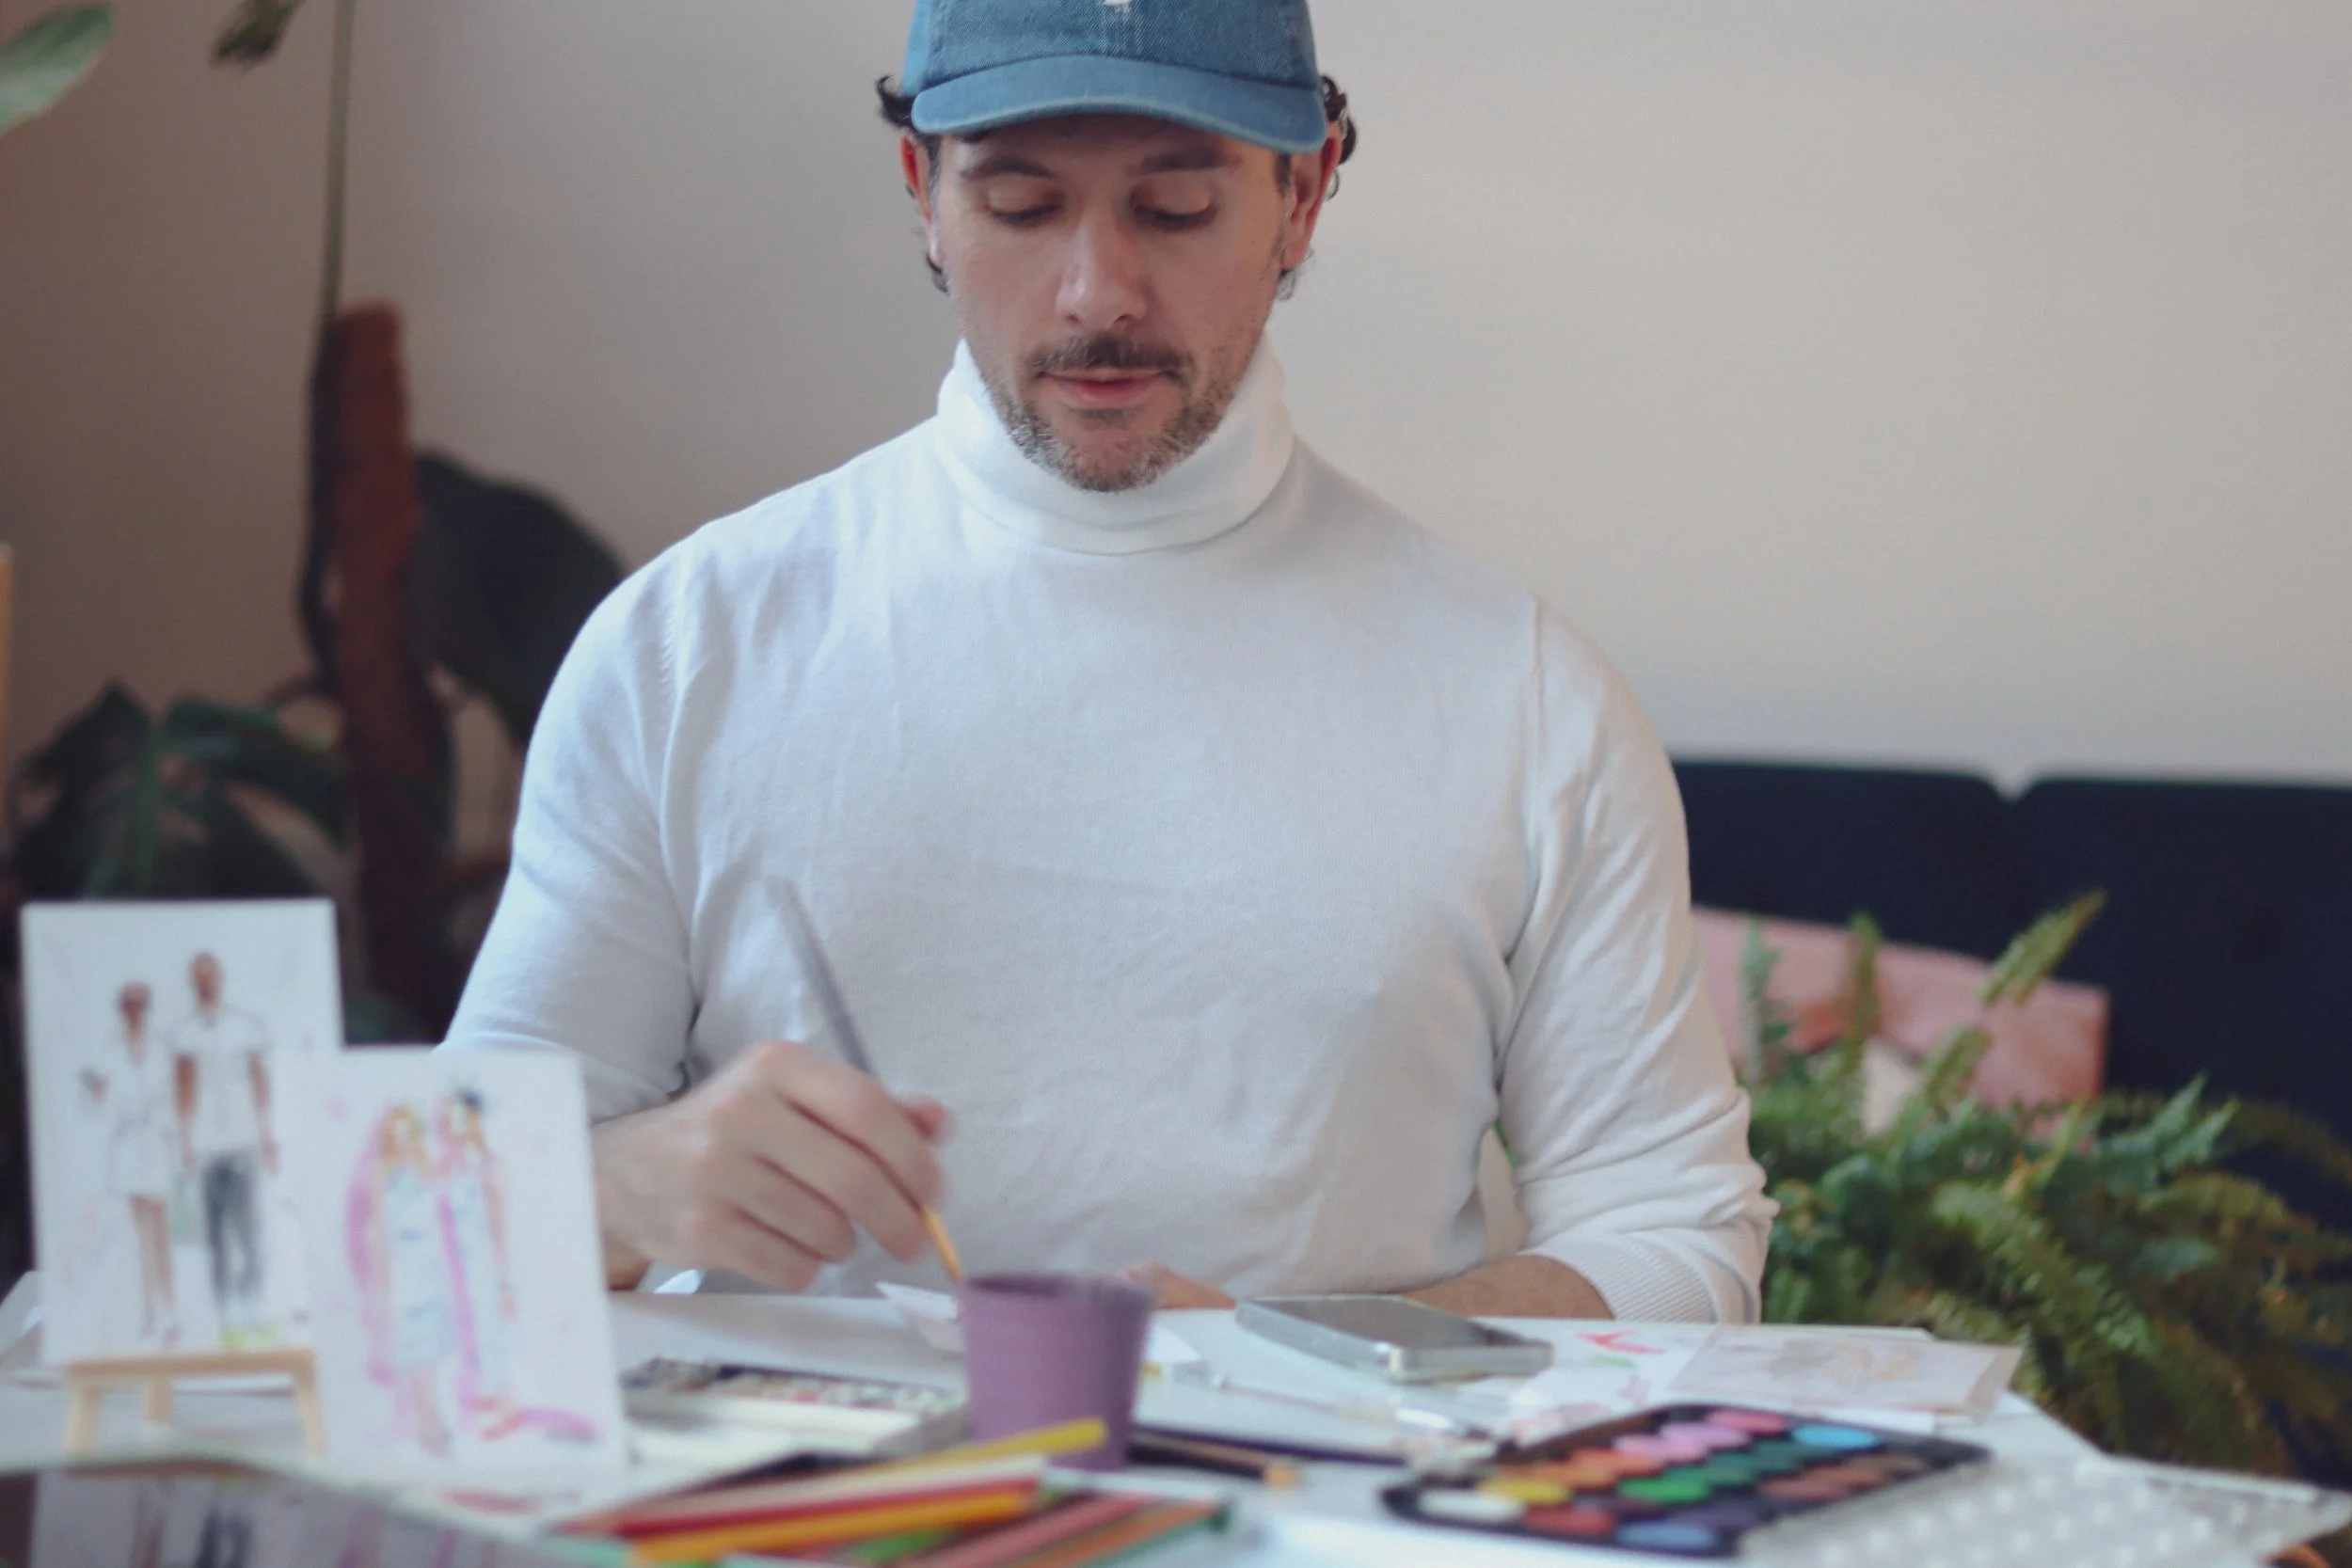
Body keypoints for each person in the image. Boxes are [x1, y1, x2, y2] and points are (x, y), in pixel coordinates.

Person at [444, 0, 1772, 1322]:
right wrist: (615, 1184)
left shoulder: (1524, 696)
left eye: (1178, 207)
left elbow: (1676, 1233)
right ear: (923, 189)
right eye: (1021, 207)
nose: (1098, 293)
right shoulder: (688, 648)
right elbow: (432, 1210)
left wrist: (1284, 1357)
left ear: (1302, 194)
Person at [170, 952, 278, 1345]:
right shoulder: (185, 1032)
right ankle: (225, 1316)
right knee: (215, 1235)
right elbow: (183, 1087)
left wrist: (267, 1136)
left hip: (244, 1137)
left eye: (211, 975)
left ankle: (253, 1309)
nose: (206, 982)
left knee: (248, 1228)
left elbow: (259, 1081)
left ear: (221, 978)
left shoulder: (244, 1026)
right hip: (207, 1143)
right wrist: (185, 1140)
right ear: (192, 983)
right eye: (199, 976)